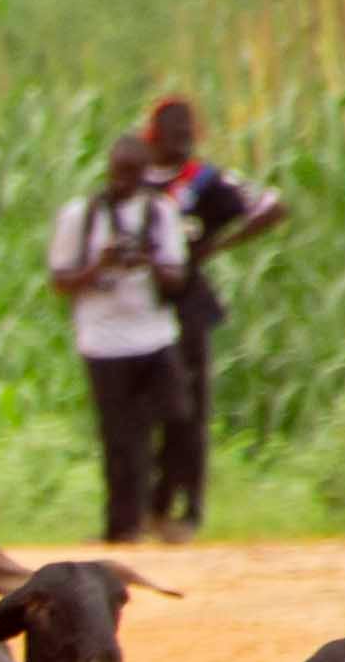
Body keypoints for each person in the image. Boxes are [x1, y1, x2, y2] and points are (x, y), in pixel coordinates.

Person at [136, 92, 290, 542]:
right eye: (174, 132)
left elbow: (271, 207)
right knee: (144, 413)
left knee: (190, 409)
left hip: (187, 306)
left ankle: (189, 509)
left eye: (189, 132)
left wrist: (217, 246)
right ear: (152, 135)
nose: (183, 139)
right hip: (136, 309)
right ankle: (149, 506)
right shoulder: (136, 181)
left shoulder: (205, 181)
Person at [46, 133, 193, 547]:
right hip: (102, 338)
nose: (122, 182)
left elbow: (178, 276)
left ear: (145, 174)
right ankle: (120, 526)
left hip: (155, 333)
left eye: (132, 174)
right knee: (118, 437)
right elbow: (59, 281)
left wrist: (149, 259)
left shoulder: (161, 212)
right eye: (117, 173)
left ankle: (159, 509)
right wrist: (99, 265)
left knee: (178, 418)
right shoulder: (81, 216)